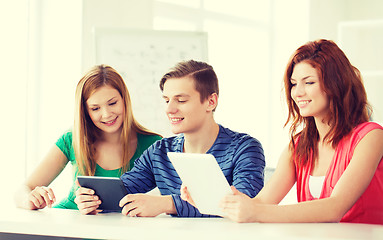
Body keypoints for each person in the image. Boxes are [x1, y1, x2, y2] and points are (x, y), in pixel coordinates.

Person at [218, 39, 383, 224]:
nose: (297, 93)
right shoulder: (298, 145)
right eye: (294, 84)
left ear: (337, 84)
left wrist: (255, 211)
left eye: (309, 82)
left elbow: (335, 208)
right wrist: (225, 202)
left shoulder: (371, 136)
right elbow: (262, 202)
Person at [77, 60, 265, 217]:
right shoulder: (159, 152)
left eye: (181, 100)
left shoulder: (245, 149)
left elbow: (242, 204)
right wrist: (92, 199)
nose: (169, 109)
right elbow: (123, 190)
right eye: (167, 100)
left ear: (211, 101)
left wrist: (168, 204)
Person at [14, 64, 162, 213]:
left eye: (112, 103)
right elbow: (22, 190)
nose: (106, 114)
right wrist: (31, 200)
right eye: (95, 108)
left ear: (125, 100)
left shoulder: (154, 145)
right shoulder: (71, 139)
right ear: (85, 111)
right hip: (69, 224)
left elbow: (179, 198)